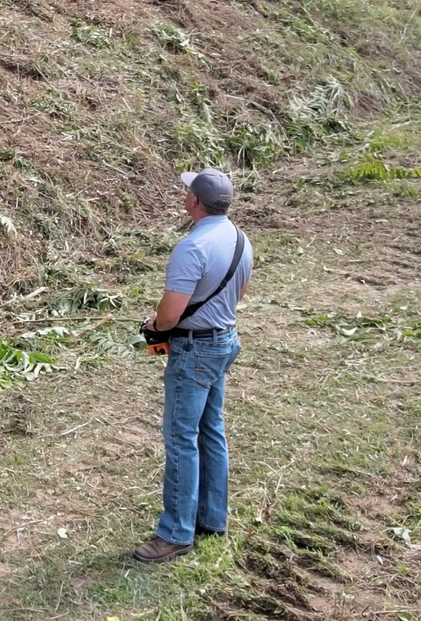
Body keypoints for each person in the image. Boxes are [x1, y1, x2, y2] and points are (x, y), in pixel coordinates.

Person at [132, 167, 253, 564]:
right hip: (224, 342)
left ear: (196, 202)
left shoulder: (192, 247)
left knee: (181, 437)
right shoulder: (239, 239)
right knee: (210, 430)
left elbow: (169, 315)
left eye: (187, 192)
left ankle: (176, 532)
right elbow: (239, 292)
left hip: (195, 350)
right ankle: (211, 519)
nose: (184, 197)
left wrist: (156, 326)